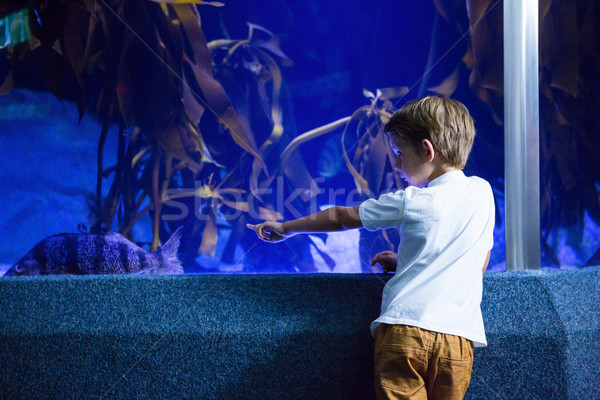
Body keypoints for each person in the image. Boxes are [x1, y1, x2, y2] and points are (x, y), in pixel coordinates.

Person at [247, 96, 495, 400]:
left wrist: (287, 228)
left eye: (399, 153)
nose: (396, 164)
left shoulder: (412, 200)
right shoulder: (483, 193)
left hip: (405, 331)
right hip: (459, 338)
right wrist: (409, 261)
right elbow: (476, 264)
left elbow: (340, 217)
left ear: (428, 150)